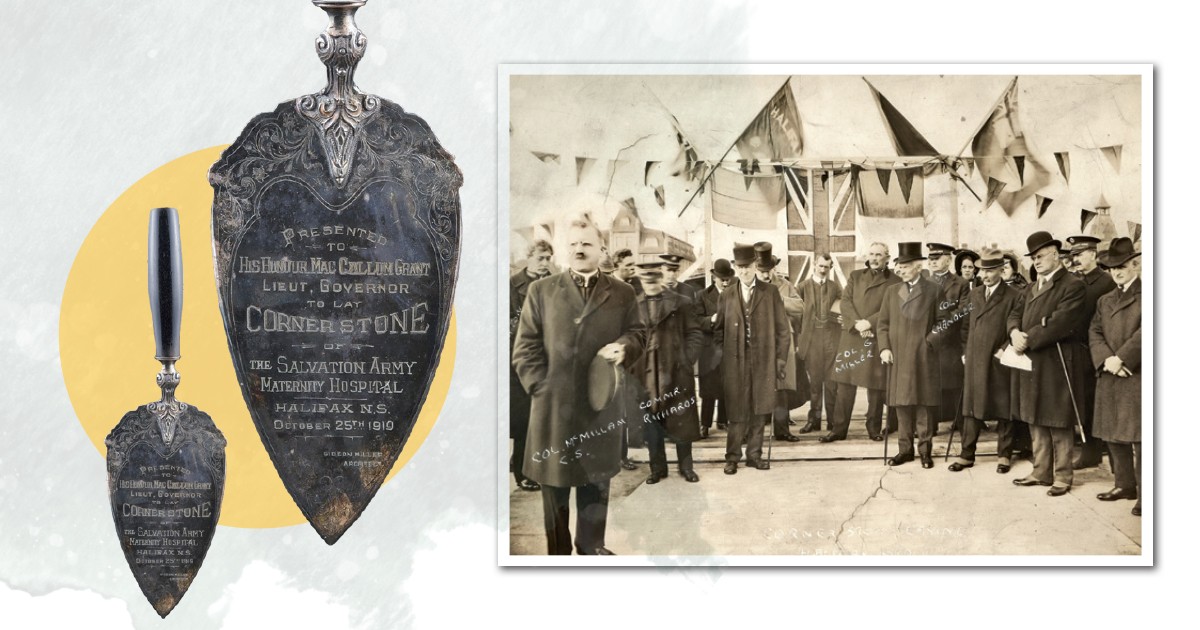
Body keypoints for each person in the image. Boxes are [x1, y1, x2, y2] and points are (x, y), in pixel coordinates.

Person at [511, 218, 646, 555]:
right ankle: (557, 559)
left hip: (600, 408)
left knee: (596, 484)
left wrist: (625, 346)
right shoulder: (541, 291)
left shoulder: (623, 292)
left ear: (602, 249)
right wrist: (541, 388)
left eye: (586, 243)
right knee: (554, 492)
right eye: (572, 244)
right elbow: (524, 348)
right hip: (553, 412)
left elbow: (639, 333)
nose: (579, 249)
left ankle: (591, 550)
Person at [1008, 231, 1089, 497]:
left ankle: (1063, 476)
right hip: (1031, 360)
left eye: (1040, 256)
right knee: (1035, 416)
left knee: (1057, 418)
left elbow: (1060, 323)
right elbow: (1014, 314)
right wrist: (1013, 333)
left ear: (1056, 254)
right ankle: (1041, 471)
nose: (1036, 262)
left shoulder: (1072, 285)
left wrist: (1026, 339)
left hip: (1058, 362)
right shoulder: (1030, 287)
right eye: (1033, 258)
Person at [714, 243, 791, 474]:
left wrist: (779, 360)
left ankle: (754, 456)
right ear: (735, 268)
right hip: (735, 363)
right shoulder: (727, 294)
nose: (744, 271)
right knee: (737, 410)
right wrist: (722, 356)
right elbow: (718, 330)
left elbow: (783, 330)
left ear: (755, 265)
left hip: (763, 362)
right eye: (739, 267)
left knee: (760, 409)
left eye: (747, 267)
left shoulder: (770, 293)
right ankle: (732, 457)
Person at [629, 253, 704, 483]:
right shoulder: (633, 306)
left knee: (681, 421)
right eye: (645, 279)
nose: (650, 283)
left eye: (654, 278)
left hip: (676, 370)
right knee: (652, 423)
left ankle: (686, 467)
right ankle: (657, 469)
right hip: (646, 373)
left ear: (660, 276)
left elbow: (695, 333)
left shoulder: (681, 302)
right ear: (641, 280)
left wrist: (686, 359)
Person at [952, 248, 1023, 474]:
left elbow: (1017, 327)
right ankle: (967, 454)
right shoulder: (974, 294)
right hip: (974, 358)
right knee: (971, 408)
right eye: (982, 270)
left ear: (1001, 271)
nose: (985, 275)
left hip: (999, 359)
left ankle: (1004, 455)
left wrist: (1004, 349)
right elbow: (964, 326)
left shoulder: (1013, 295)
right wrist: (965, 351)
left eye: (990, 271)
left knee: (1004, 407)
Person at [822, 242, 900, 442]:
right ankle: (838, 430)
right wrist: (857, 324)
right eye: (871, 254)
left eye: (879, 255)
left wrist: (869, 323)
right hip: (853, 336)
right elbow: (845, 302)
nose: (874, 258)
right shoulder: (856, 276)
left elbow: (891, 308)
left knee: (876, 387)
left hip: (875, 337)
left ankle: (873, 429)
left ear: (887, 258)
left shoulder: (896, 281)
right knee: (845, 386)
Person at [878, 242, 946, 469]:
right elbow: (882, 324)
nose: (900, 270)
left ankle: (925, 452)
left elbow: (944, 322)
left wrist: (929, 342)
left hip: (923, 356)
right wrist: (884, 348)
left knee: (923, 405)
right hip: (897, 356)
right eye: (899, 265)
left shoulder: (934, 290)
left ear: (918, 266)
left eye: (905, 266)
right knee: (902, 405)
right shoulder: (891, 292)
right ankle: (904, 451)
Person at [1089, 237, 1142, 516]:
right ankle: (1124, 484)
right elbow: (1094, 332)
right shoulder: (1104, 300)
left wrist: (1122, 358)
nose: (1117, 272)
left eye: (1122, 266)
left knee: (1141, 436)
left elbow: (1146, 333)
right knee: (1113, 431)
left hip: (1136, 374)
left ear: (1135, 264)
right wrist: (1107, 360)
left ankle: (1148, 493)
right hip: (1111, 371)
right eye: (1112, 268)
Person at [1066, 234, 1118, 470]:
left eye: (1079, 254)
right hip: (1075, 350)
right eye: (1073, 255)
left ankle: (1094, 450)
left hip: (1097, 350)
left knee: (1096, 402)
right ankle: (1090, 449)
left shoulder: (1107, 281)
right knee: (1082, 401)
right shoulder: (1073, 280)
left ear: (1093, 255)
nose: (1074, 259)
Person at [510, 240, 554, 492]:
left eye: (548, 258)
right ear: (528, 257)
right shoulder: (511, 286)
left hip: (548, 360)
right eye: (540, 258)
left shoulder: (554, 284)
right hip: (519, 363)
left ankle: (542, 467)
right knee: (523, 422)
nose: (545, 263)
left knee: (546, 420)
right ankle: (523, 473)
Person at [754, 242, 804, 442]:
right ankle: (753, 432)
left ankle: (782, 430)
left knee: (782, 385)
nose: (766, 275)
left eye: (769, 271)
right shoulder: (748, 286)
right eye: (762, 271)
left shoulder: (784, 284)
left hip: (783, 340)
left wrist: (780, 300)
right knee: (758, 383)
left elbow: (801, 307)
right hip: (759, 341)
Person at [926, 242, 970, 432]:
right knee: (930, 385)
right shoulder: (924, 282)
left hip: (951, 342)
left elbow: (963, 311)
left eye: (937, 258)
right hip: (929, 343)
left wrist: (938, 330)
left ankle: (960, 424)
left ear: (948, 260)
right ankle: (930, 426)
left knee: (955, 385)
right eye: (931, 259)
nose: (933, 262)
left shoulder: (961, 283)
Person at [796, 254, 842, 434]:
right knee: (814, 383)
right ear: (814, 265)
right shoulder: (802, 287)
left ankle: (832, 421)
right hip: (812, 340)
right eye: (820, 266)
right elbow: (795, 315)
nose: (823, 270)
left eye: (827, 267)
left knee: (831, 383)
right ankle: (814, 421)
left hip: (831, 338)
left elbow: (841, 310)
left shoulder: (835, 287)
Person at [697, 259, 735, 437]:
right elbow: (695, 320)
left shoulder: (735, 294)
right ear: (714, 277)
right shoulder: (703, 295)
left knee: (727, 386)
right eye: (722, 279)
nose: (726, 282)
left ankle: (723, 420)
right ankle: (704, 424)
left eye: (728, 278)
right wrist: (711, 319)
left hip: (729, 347)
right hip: (710, 350)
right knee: (708, 389)